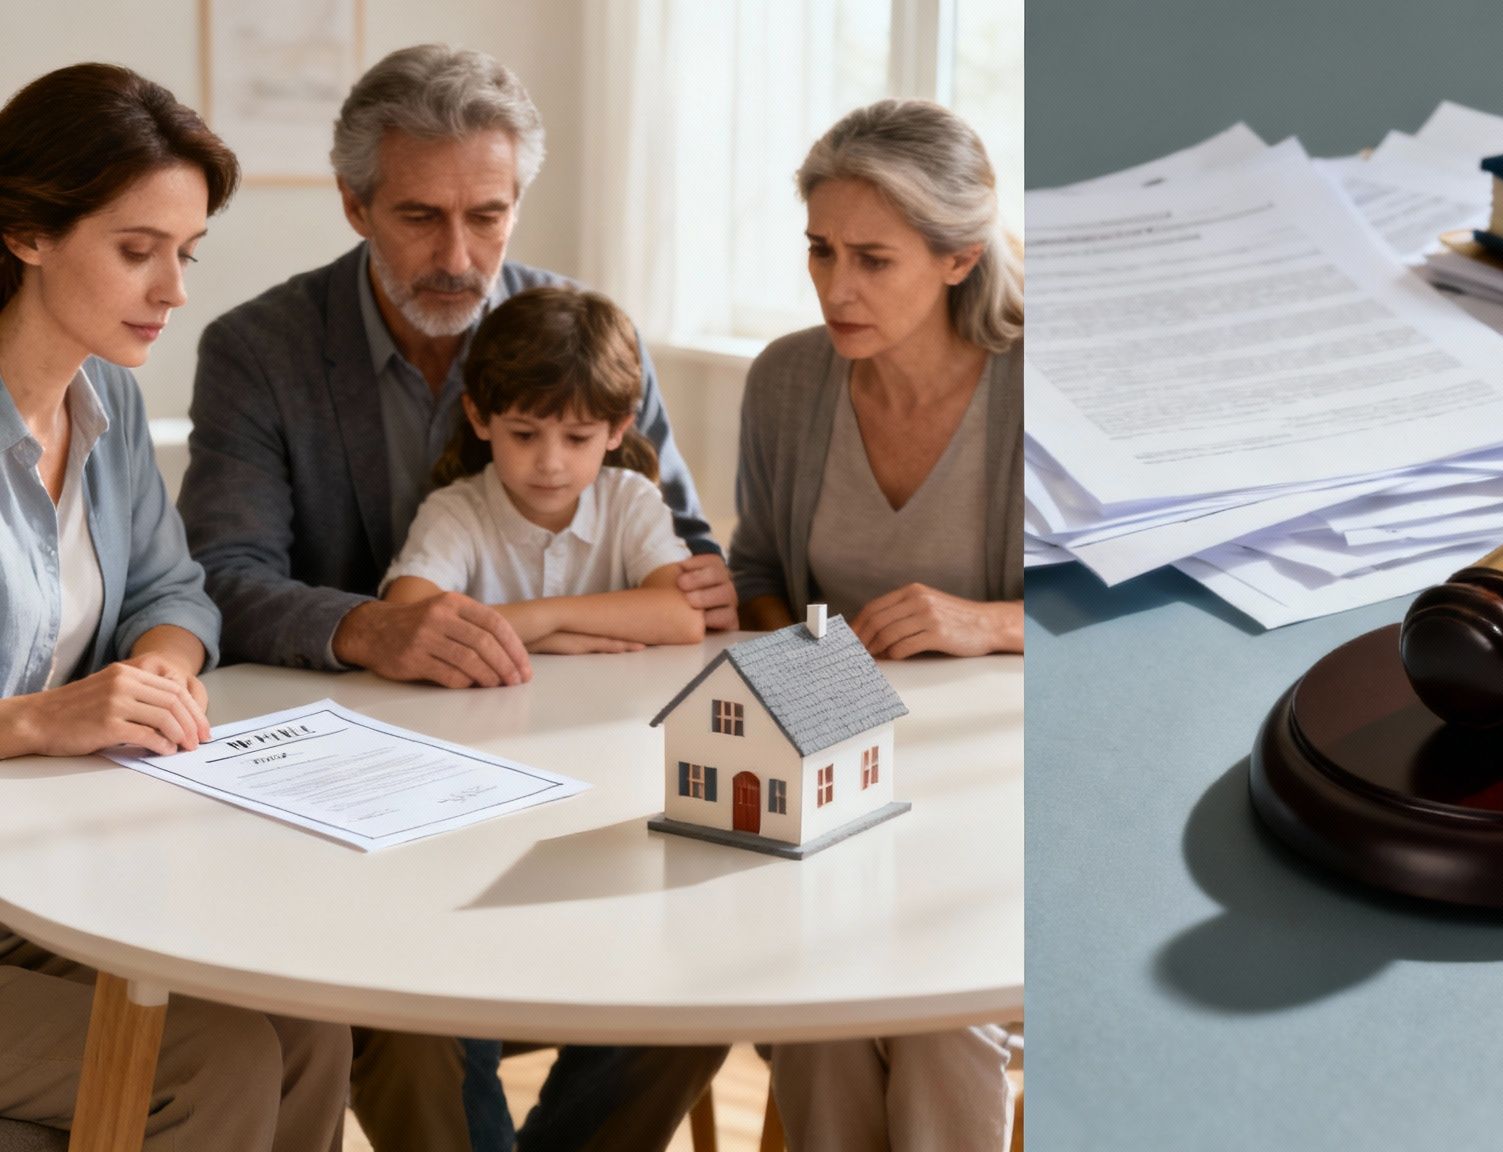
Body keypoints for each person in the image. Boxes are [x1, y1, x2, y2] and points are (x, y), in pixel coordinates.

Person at [177, 44, 725, 1152]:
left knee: (708, 967)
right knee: (408, 1017)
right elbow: (221, 581)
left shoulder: (582, 336)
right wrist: (366, 625)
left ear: (519, 199)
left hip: (574, 775)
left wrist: (635, 599)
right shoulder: (260, 351)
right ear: (353, 205)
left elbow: (693, 565)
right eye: (421, 217)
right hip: (355, 804)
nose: (459, 255)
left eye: (488, 214)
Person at [0, 62, 351, 1150]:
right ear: (27, 232)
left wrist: (156, 668)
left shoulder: (105, 397)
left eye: (184, 253)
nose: (174, 290)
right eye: (136, 250)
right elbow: (49, 714)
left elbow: (174, 590)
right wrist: (37, 721)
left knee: (309, 1016)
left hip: (47, 873)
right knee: (216, 1057)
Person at [730, 98, 1022, 1151]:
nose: (834, 287)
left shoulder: (1039, 386)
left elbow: (1114, 611)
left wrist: (985, 623)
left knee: (944, 1026)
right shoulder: (786, 381)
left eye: (871, 259)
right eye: (818, 251)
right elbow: (757, 571)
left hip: (1001, 788)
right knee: (820, 1020)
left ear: (956, 259)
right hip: (842, 773)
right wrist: (805, 671)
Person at [381, 285, 705, 650]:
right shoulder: (455, 514)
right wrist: (551, 639)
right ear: (479, 416)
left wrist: (546, 620)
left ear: (617, 429)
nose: (550, 464)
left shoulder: (630, 501)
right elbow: (406, 618)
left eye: (577, 438)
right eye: (524, 435)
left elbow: (683, 616)